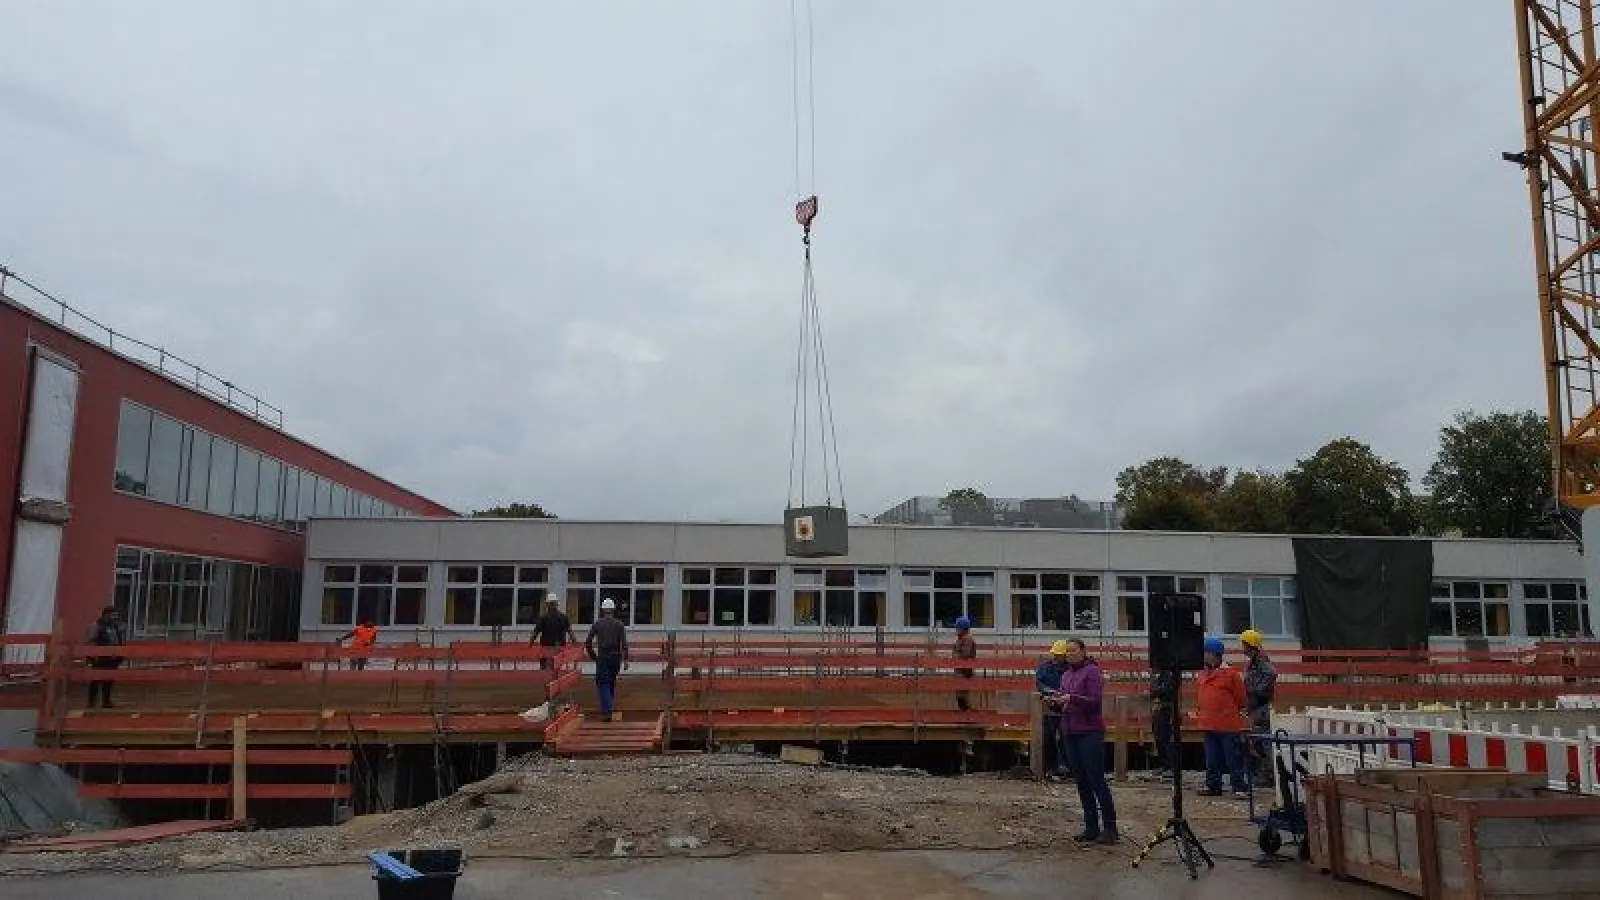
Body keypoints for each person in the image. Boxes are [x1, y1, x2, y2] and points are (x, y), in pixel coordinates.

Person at [1051, 638, 1118, 845]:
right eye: (1067, 652)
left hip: (1089, 732)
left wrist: (1071, 699)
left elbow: (1095, 701)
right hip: (1070, 731)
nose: (1070, 654)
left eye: (1073, 651)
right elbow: (1065, 702)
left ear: (1082, 651)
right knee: (1081, 781)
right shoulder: (1066, 675)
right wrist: (1055, 702)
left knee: (1096, 779)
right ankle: (1091, 826)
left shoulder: (1092, 672)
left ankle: (1110, 828)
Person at [1196, 636, 1249, 798]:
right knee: (1211, 759)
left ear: (1215, 654)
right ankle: (1213, 786)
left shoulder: (1231, 674)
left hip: (1228, 724)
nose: (1204, 656)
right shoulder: (1202, 674)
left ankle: (1239, 787)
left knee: (1233, 757)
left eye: (1206, 653)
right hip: (1209, 723)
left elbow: (1241, 699)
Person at [1239, 628, 1277, 786]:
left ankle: (1268, 775)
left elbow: (1271, 674)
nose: (1242, 647)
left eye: (1244, 644)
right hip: (1254, 705)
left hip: (1260, 707)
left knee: (1261, 740)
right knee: (1254, 740)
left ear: (1250, 644)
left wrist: (1257, 690)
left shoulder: (1261, 660)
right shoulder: (1254, 661)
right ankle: (1262, 773)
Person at [585, 597, 630, 722]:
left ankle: (607, 711)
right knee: (611, 682)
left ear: (603, 610)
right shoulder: (619, 624)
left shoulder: (598, 624)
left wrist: (594, 657)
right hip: (616, 657)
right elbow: (624, 643)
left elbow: (588, 642)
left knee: (603, 683)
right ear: (613, 610)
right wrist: (626, 660)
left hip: (603, 657)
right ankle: (608, 707)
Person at [1035, 640, 1071, 778]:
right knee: (1048, 739)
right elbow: (1039, 682)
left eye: (1059, 655)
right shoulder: (1046, 667)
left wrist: (1063, 694)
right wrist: (1049, 692)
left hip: (1067, 710)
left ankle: (1067, 767)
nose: (1056, 658)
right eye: (1055, 655)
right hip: (1049, 709)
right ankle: (1050, 768)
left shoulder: (1070, 670)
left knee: (1065, 739)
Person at [84, 606, 126, 709]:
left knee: (109, 680)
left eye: (116, 615)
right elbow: (91, 642)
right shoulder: (96, 626)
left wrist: (120, 655)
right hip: (100, 658)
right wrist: (93, 656)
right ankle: (91, 702)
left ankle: (106, 701)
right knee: (96, 681)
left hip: (113, 658)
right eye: (113, 615)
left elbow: (119, 641)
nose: (116, 617)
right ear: (106, 615)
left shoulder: (115, 627)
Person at [531, 592, 576, 671]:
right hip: (559, 646)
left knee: (544, 668)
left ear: (547, 604)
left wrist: (530, 644)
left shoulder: (543, 618)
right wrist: (575, 644)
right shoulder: (563, 617)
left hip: (545, 647)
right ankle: (555, 680)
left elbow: (535, 633)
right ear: (556, 604)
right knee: (557, 666)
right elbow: (570, 632)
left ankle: (546, 680)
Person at [1149, 668, 1179, 777]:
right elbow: (1153, 691)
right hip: (1158, 709)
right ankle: (1164, 764)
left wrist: (1157, 691)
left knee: (1166, 738)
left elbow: (1168, 691)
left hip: (1167, 710)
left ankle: (1171, 766)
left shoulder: (1170, 673)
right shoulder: (1159, 674)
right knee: (1158, 737)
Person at [953, 616, 977, 712]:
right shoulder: (961, 638)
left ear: (963, 628)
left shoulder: (967, 639)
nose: (956, 630)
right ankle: (965, 713)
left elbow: (965, 654)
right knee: (960, 692)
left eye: (957, 628)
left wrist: (956, 657)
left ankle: (966, 714)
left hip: (964, 670)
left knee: (962, 693)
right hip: (960, 669)